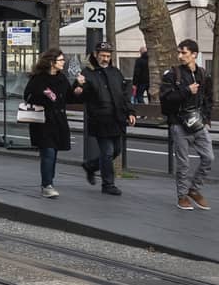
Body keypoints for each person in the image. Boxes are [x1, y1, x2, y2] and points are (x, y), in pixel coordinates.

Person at [161, 38, 214, 211]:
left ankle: (194, 189)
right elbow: (165, 100)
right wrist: (186, 90)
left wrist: (206, 119)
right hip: (179, 123)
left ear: (194, 55)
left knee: (208, 158)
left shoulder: (203, 74)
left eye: (184, 52)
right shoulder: (172, 75)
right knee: (183, 164)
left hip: (198, 123)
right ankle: (182, 196)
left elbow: (208, 99)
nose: (180, 56)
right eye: (180, 52)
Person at [80, 41, 136, 195]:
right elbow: (81, 94)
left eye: (108, 56)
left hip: (116, 118)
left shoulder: (115, 72)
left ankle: (91, 166)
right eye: (103, 55)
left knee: (116, 150)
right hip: (100, 119)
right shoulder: (87, 73)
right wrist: (78, 88)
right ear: (96, 55)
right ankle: (108, 184)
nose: (105, 58)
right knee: (108, 152)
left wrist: (131, 112)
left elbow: (125, 95)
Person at [24, 49, 78, 197]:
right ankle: (47, 185)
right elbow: (28, 96)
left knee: (53, 153)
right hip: (42, 121)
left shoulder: (62, 78)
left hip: (58, 121)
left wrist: (78, 90)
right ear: (51, 62)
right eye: (60, 60)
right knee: (48, 152)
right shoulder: (38, 79)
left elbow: (70, 98)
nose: (63, 63)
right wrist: (45, 95)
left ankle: (49, 182)